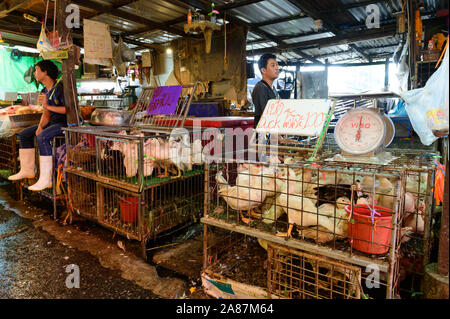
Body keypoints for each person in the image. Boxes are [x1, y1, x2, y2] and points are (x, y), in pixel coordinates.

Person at [8, 60, 67, 191]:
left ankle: (46, 179)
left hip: (64, 124)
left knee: (42, 137)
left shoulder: (61, 87)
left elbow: (67, 110)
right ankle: (27, 170)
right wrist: (40, 126)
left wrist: (47, 106)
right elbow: (46, 114)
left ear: (45, 72)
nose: (35, 73)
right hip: (52, 123)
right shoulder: (44, 90)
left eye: (36, 70)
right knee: (24, 135)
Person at [251, 53, 280, 128]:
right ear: (263, 70)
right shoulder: (260, 88)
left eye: (277, 65)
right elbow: (266, 115)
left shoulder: (272, 89)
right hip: (263, 134)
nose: (277, 68)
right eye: (273, 65)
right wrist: (279, 138)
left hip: (273, 131)